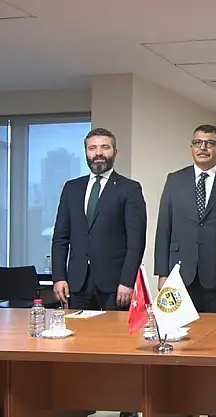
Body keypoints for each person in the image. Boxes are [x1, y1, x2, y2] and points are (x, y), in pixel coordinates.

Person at [51, 127, 145, 417]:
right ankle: (81, 402)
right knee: (77, 346)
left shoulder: (129, 188)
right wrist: (59, 276)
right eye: (93, 148)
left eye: (104, 147)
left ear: (115, 152)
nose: (98, 153)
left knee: (120, 347)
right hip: (77, 282)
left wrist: (127, 281)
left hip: (115, 284)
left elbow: (136, 240)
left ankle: (127, 405)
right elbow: (60, 236)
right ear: (86, 153)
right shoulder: (72, 188)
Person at [154, 124, 216, 313]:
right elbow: (164, 228)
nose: (203, 148)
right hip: (179, 274)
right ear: (191, 148)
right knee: (179, 328)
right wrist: (162, 273)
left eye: (210, 143)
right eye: (197, 143)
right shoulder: (174, 180)